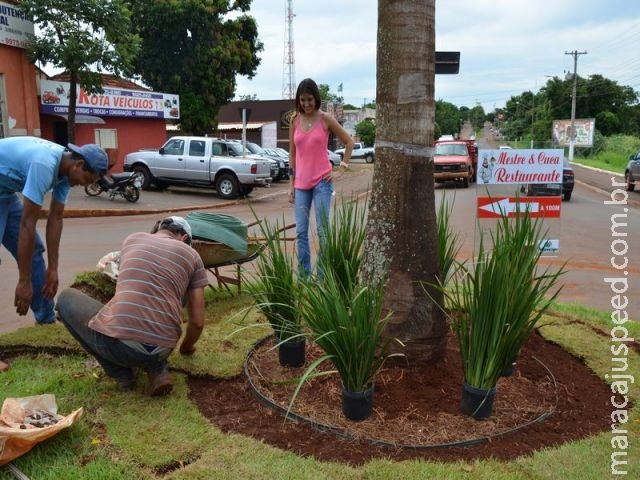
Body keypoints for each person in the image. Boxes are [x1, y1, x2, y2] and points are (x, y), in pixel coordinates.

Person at [56, 216, 208, 396]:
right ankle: (157, 368)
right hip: (163, 349)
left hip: (121, 347)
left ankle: (122, 374)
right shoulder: (193, 256)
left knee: (65, 299)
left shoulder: (133, 239)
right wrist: (186, 348)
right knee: (172, 289)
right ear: (184, 239)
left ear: (158, 229)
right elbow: (197, 323)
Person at [0, 136, 108, 324]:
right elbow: (27, 224)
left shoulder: (66, 172)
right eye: (87, 179)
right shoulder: (44, 164)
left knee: (34, 249)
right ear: (79, 164)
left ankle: (46, 319)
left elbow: (56, 218)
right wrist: (24, 281)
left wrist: (53, 269)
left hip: (5, 193)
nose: (84, 185)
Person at [288, 78, 354, 277]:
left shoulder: (325, 119)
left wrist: (341, 168)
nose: (306, 104)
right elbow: (292, 154)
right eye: (302, 100)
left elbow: (349, 143)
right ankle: (305, 276)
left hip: (322, 183)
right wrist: (291, 185)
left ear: (316, 99)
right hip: (300, 184)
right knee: (301, 232)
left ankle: (323, 279)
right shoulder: (294, 120)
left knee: (323, 233)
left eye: (309, 100)